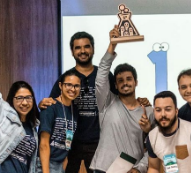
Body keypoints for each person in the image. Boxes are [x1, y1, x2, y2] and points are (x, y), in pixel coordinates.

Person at [39, 31, 150, 173]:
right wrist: (41, 103)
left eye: (87, 46)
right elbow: (53, 103)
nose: (83, 51)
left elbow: (121, 99)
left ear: (93, 49)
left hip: (99, 144)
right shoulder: (67, 78)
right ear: (72, 52)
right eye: (78, 48)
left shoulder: (105, 76)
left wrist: (139, 101)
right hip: (71, 145)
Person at [89, 25, 153, 173]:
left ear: (136, 82)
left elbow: (155, 145)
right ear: (116, 85)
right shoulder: (106, 102)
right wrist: (112, 45)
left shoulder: (148, 111)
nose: (125, 83)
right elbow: (101, 75)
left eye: (129, 79)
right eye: (120, 80)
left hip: (131, 171)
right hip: (102, 169)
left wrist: (140, 168)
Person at [0, 35, 40, 173]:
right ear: (12, 99)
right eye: (19, 98)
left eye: (28, 98)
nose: (24, 102)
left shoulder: (33, 127)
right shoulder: (4, 113)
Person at [37, 69, 81, 173]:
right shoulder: (50, 106)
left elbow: (68, 143)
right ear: (61, 86)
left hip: (59, 165)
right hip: (44, 164)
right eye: (68, 85)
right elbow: (44, 144)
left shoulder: (74, 111)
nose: (72, 89)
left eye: (76, 86)